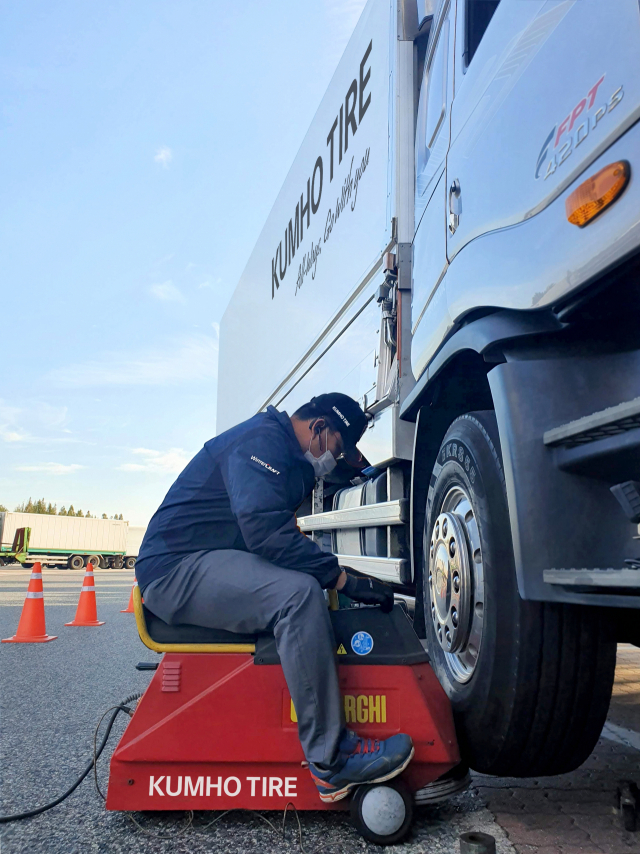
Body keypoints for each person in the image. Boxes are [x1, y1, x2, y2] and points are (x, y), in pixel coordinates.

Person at [135, 393, 414, 802]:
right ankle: (332, 762)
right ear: (318, 428)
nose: (333, 461)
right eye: (336, 449)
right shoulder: (261, 443)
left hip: (205, 558)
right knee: (296, 596)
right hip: (175, 570)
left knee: (305, 583)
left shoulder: (282, 450)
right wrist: (340, 579)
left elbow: (280, 534)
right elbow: (264, 531)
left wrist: (334, 572)